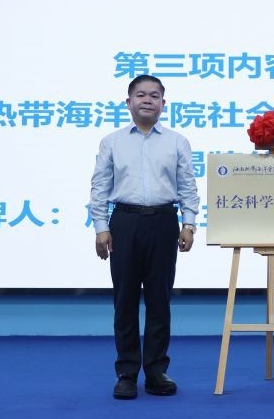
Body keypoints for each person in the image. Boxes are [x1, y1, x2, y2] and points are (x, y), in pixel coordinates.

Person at [89, 75, 200, 400]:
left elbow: (188, 186)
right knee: (124, 301)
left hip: (164, 223)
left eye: (154, 95)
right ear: (129, 102)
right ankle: (126, 373)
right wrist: (101, 227)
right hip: (124, 222)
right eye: (140, 95)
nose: (147, 100)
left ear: (163, 103)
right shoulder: (112, 142)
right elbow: (99, 186)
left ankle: (155, 372)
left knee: (159, 301)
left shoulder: (177, 142)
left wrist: (189, 224)